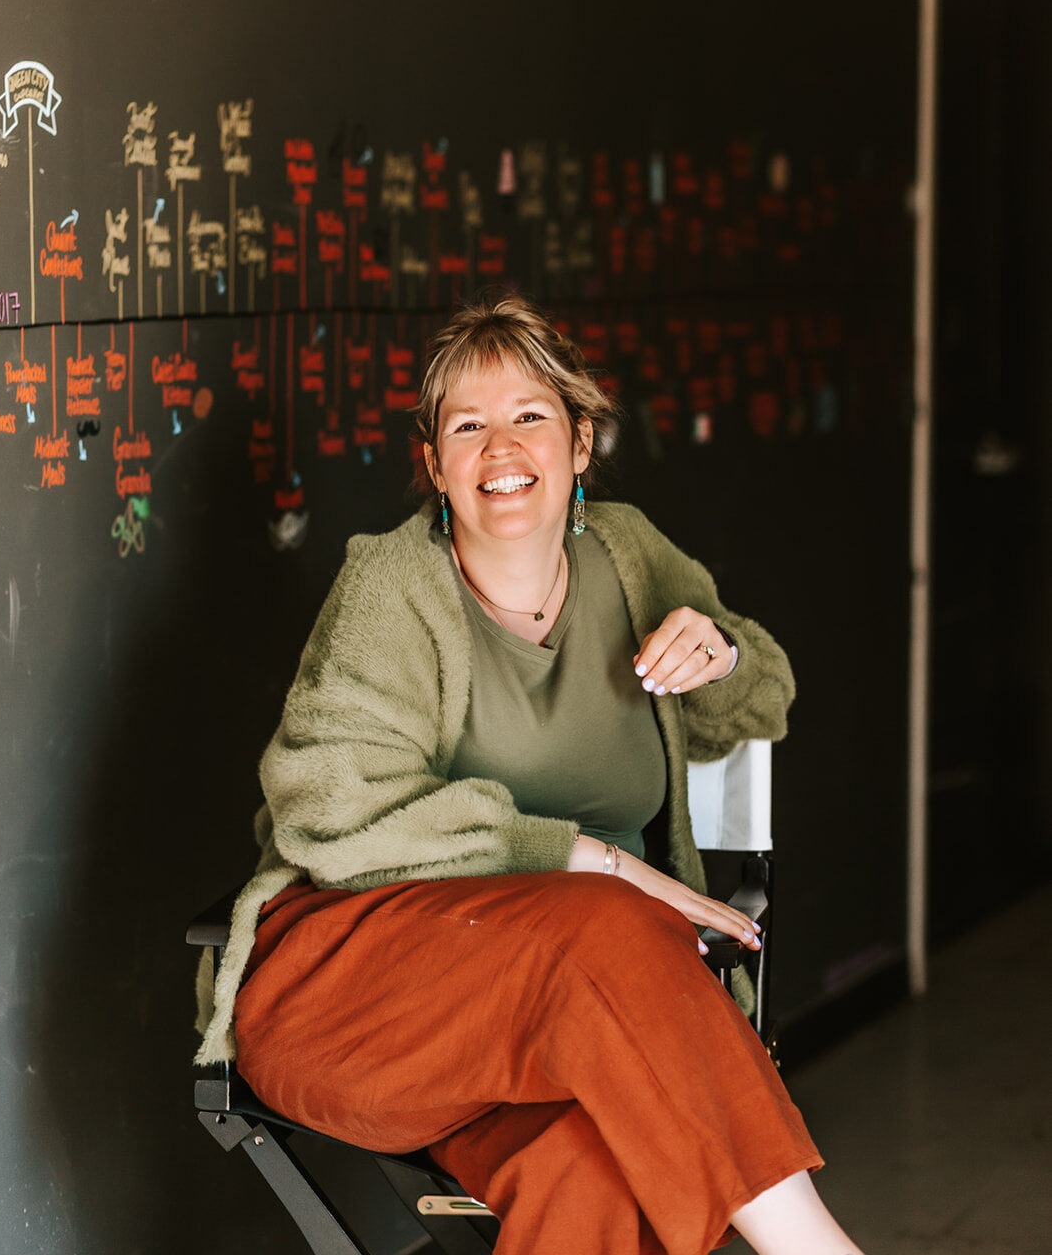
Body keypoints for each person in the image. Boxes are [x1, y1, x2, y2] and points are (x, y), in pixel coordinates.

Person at [195, 295, 865, 1255]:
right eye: (467, 424)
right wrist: (586, 858)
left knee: (588, 1164)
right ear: (433, 462)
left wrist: (717, 654)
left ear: (580, 442)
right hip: (363, 1001)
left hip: (577, 1020)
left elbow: (761, 703)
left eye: (529, 416)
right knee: (603, 923)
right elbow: (328, 804)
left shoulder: (630, 555)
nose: (499, 447)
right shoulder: (389, 585)